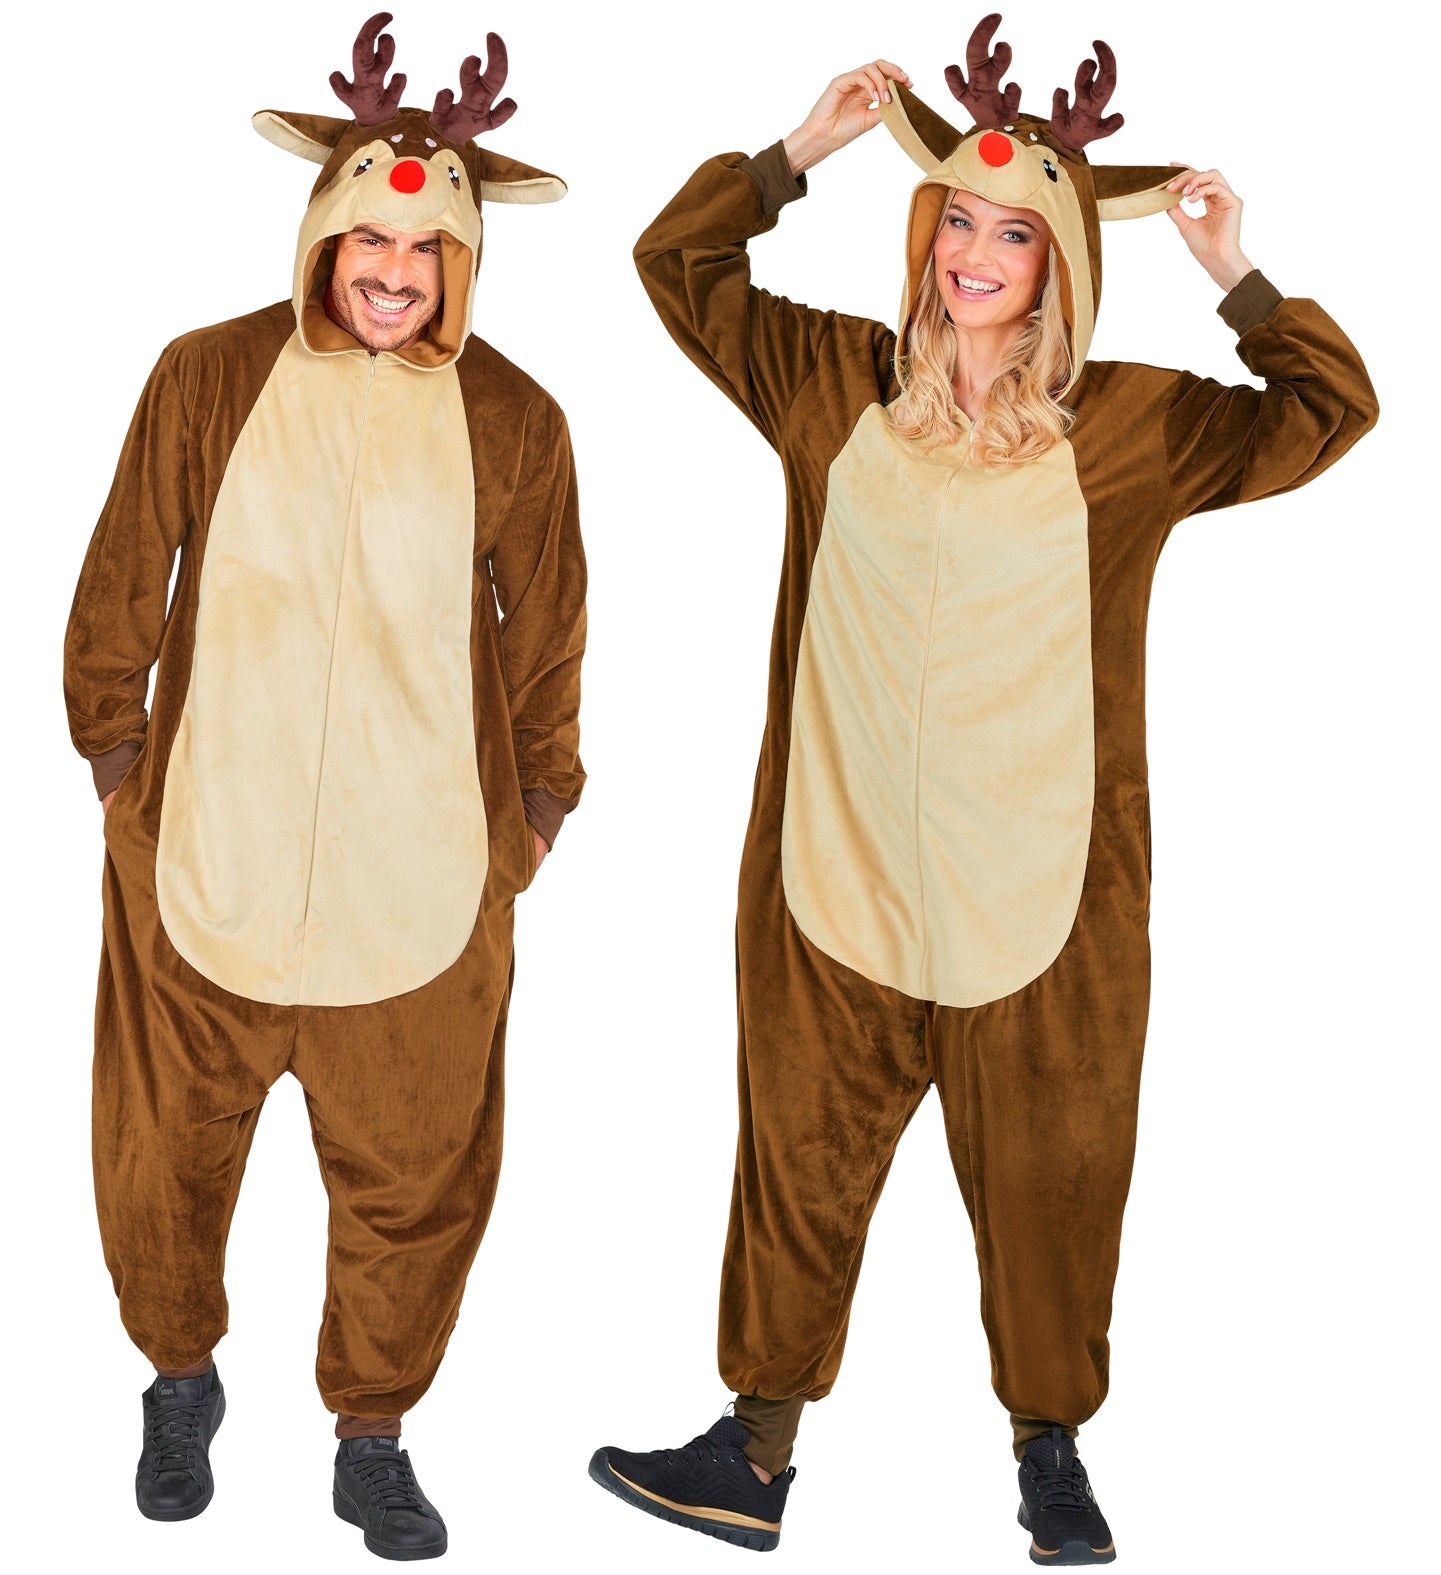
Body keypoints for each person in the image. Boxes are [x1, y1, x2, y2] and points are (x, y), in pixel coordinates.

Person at [588, 16, 1375, 1567]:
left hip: (1048, 896)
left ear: (1064, 260)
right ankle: (750, 1456)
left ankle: (1049, 1453)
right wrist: (794, 154)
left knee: (1051, 1175)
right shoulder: (830, 382)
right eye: (957, 218)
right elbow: (675, 267)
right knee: (795, 1161)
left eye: (1014, 231)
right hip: (841, 873)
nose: (975, 253)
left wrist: (1235, 275)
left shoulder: (1133, 428)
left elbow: (1326, 412)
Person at [62, 14, 585, 1561]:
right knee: (159, 1159)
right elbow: (118, 583)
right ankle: (176, 1380)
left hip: (421, 891)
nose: (393, 267)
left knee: (415, 1183)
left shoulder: (514, 418)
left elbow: (550, 639)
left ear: (463, 262)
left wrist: (529, 827)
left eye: (427, 247)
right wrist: (119, 778)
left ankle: (372, 1430)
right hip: (200, 862)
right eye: (368, 232)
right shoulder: (207, 376)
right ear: (321, 235)